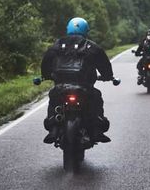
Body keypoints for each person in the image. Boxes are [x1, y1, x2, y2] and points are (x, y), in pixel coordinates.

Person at [41, 16, 114, 144]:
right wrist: (107, 76)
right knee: (96, 98)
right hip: (84, 88)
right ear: (86, 30)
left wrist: (46, 75)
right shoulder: (91, 46)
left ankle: (53, 129)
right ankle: (97, 130)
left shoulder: (57, 45)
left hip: (61, 87)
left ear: (68, 29)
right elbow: (104, 65)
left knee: (54, 97)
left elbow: (46, 62)